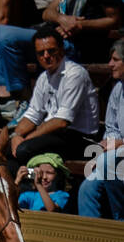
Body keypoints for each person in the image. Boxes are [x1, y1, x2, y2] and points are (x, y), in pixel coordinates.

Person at [6, 27, 99, 167]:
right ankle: (22, 186)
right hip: (55, 135)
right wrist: (16, 135)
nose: (46, 56)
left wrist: (27, 139)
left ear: (61, 49)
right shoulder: (43, 77)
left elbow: (62, 121)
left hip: (80, 138)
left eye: (51, 50)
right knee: (9, 150)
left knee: (24, 149)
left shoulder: (75, 74)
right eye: (40, 53)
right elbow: (33, 114)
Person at [78, 38, 124, 219]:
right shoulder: (118, 89)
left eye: (116, 59)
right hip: (118, 154)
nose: (110, 64)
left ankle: (120, 223)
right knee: (87, 188)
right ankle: (91, 241)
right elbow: (112, 126)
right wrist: (109, 142)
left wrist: (119, 143)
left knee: (107, 163)